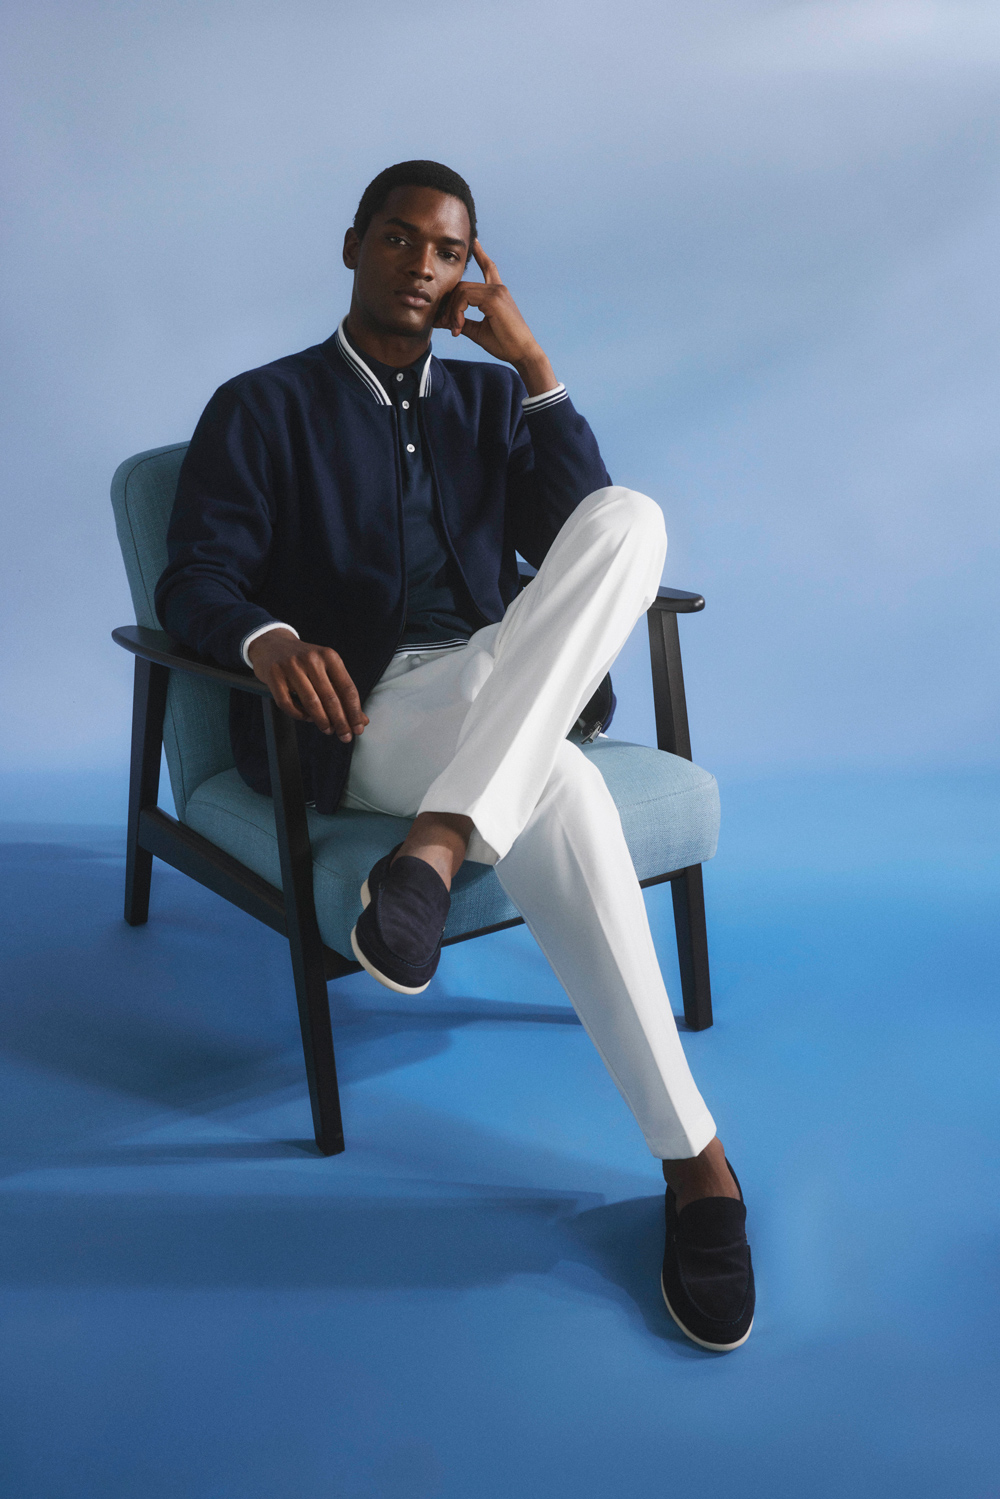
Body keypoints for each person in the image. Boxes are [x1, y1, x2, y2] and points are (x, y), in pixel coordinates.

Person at [155, 160, 755, 1351]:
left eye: (446, 250)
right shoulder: (261, 406)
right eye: (399, 239)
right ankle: (699, 1166)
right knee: (552, 768)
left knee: (630, 516)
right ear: (353, 245)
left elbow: (583, 539)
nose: (421, 266)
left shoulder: (488, 402)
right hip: (369, 712)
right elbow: (196, 576)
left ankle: (435, 845)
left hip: (497, 680)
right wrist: (268, 637)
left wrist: (534, 369)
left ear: (467, 269)